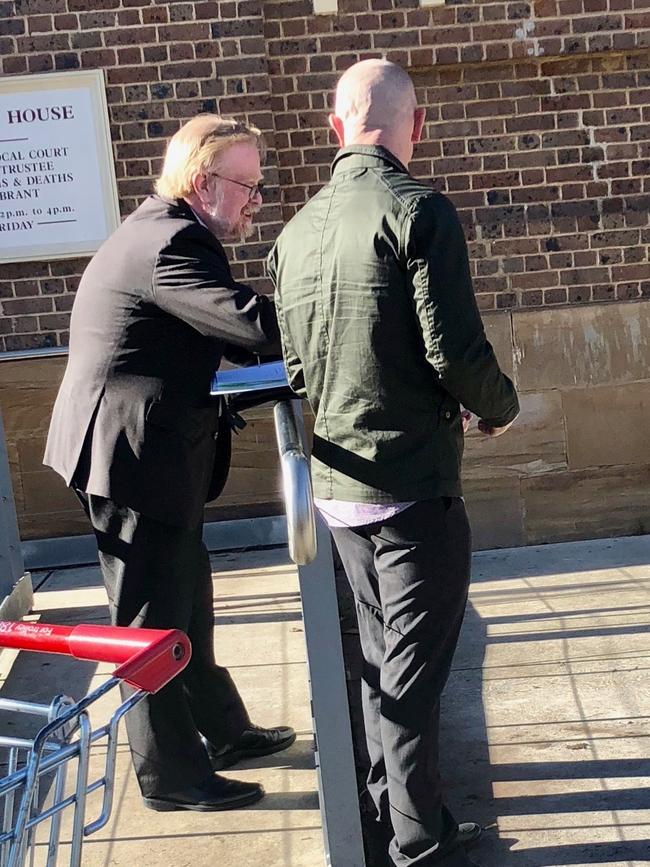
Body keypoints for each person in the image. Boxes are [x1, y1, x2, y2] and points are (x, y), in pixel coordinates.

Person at [268, 60, 519, 867]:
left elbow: (297, 370)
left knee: (382, 659)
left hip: (338, 488)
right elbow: (455, 353)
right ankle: (416, 839)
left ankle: (391, 813)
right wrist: (499, 405)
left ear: (335, 127)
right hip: (411, 485)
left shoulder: (294, 232)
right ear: (416, 126)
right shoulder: (420, 212)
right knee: (410, 674)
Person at [44, 115, 296, 813]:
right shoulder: (173, 241)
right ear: (201, 181)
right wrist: (335, 318)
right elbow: (249, 325)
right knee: (150, 625)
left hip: (144, 451)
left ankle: (226, 730)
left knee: (189, 605)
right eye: (248, 185)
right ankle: (172, 777)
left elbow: (227, 333)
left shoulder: (166, 229)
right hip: (129, 458)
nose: (256, 200)